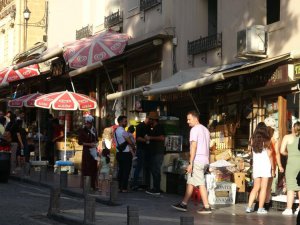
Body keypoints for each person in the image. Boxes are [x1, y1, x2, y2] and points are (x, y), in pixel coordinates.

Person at [172, 110, 212, 214]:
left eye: (189, 119)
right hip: (204, 160)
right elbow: (208, 147)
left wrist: (190, 163)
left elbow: (193, 146)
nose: (187, 121)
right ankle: (184, 204)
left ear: (195, 118)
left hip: (197, 160)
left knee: (200, 183)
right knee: (190, 181)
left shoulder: (194, 130)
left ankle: (207, 206)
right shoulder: (206, 130)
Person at [246, 123, 274, 214]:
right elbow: (270, 156)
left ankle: (249, 207)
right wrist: (273, 169)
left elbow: (250, 152)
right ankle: (260, 208)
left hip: (256, 167)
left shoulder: (252, 141)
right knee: (263, 188)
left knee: (255, 188)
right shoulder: (267, 141)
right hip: (265, 167)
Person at [280, 121, 300, 216]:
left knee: (291, 186)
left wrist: (290, 154)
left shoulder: (287, 137)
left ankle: (289, 209)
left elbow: (282, 151)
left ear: (293, 128)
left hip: (291, 163)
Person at [145, 111, 165, 196]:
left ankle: (156, 189)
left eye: (150, 119)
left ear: (153, 119)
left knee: (155, 170)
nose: (149, 120)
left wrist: (150, 137)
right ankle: (156, 188)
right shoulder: (154, 128)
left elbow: (162, 137)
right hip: (155, 152)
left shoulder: (159, 127)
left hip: (158, 152)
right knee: (154, 170)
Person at [114, 115, 136, 193]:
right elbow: (130, 142)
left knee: (121, 170)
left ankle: (119, 187)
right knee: (126, 171)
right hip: (126, 153)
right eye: (125, 121)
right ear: (120, 122)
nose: (126, 123)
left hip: (118, 153)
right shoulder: (123, 131)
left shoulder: (116, 131)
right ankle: (124, 188)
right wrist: (133, 146)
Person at [264, 126, 284, 210]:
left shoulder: (263, 140)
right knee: (268, 186)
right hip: (271, 164)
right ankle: (266, 203)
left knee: (262, 186)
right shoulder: (274, 141)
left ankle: (259, 202)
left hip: (262, 164)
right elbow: (277, 154)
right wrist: (279, 165)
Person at [78, 115, 98, 190]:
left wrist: (95, 143)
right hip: (87, 151)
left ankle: (93, 185)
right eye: (86, 123)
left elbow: (96, 139)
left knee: (94, 167)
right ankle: (86, 185)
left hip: (94, 150)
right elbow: (80, 142)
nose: (87, 124)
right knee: (87, 167)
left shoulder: (94, 130)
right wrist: (89, 144)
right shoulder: (82, 130)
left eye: (89, 123)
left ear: (92, 123)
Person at [132, 117, 150, 190]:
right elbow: (138, 138)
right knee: (139, 166)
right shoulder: (140, 126)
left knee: (143, 167)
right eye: (150, 119)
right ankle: (135, 184)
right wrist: (147, 141)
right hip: (141, 149)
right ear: (147, 118)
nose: (151, 120)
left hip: (144, 149)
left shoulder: (147, 126)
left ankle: (145, 184)